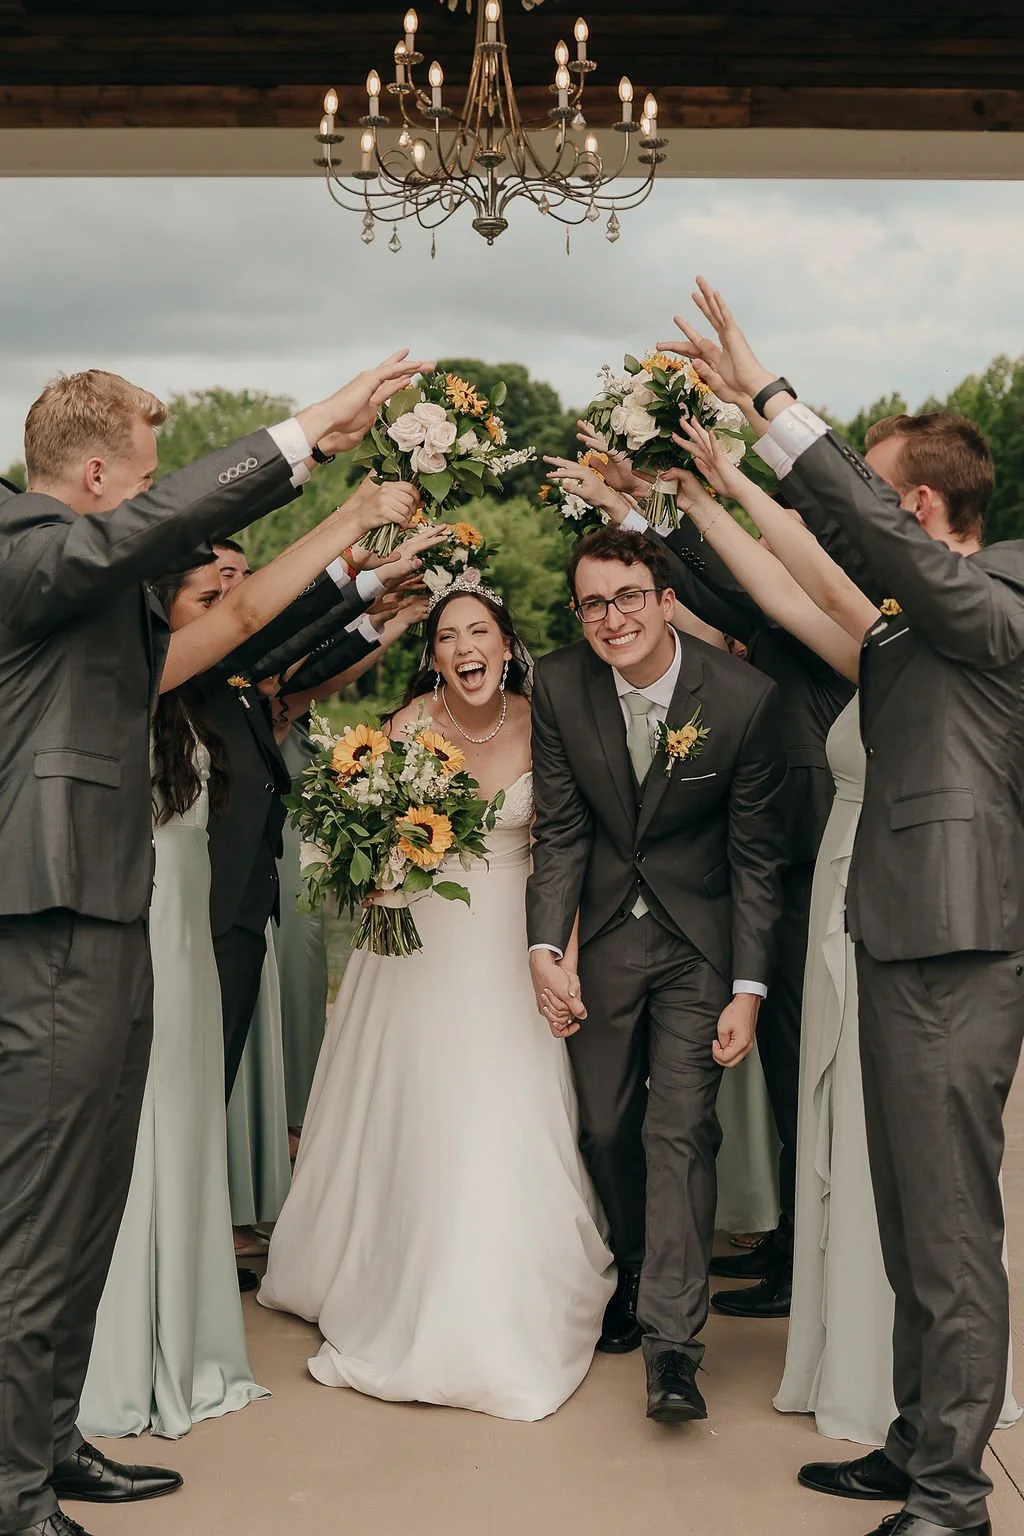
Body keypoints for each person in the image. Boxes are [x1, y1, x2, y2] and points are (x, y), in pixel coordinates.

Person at [0, 350, 427, 1536]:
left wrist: (341, 520)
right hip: (42, 930)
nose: (149, 501)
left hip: (108, 918)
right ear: (94, 478)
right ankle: (10, 1491)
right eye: (139, 483)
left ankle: (46, 1440)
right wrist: (310, 435)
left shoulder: (92, 601)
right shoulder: (23, 549)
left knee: (86, 1207)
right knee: (38, 1216)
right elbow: (171, 526)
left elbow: (235, 616)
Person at [681, 277, 1024, 1536]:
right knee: (903, 1221)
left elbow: (857, 538)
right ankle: (912, 1443)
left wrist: (767, 395)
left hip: (956, 946)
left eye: (881, 496)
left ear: (919, 508)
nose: (865, 520)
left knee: (946, 1232)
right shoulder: (906, 634)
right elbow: (806, 574)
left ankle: (951, 1500)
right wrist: (714, 479)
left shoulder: (988, 610)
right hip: (891, 943)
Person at [259, 580, 615, 1421]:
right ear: (437, 653)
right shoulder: (410, 725)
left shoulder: (546, 716)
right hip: (418, 943)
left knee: (504, 1110)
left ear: (505, 642)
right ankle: (398, 1272)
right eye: (450, 634)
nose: (465, 646)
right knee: (418, 1110)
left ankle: (499, 1295)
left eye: (479, 630)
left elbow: (571, 842)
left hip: (512, 942)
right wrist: (377, 876)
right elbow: (371, 833)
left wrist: (564, 949)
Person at [551, 427, 859, 1319]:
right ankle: (784, 1244)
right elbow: (684, 608)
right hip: (748, 871)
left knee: (796, 1065)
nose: (760, 554)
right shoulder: (743, 618)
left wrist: (661, 496)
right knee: (762, 1078)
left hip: (796, 850)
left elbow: (716, 591)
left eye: (773, 540)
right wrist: (628, 508)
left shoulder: (813, 606)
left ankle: (803, 1258)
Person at [526, 525, 787, 1422]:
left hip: (697, 944)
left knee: (678, 1129)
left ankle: (674, 1348)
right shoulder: (558, 685)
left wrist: (747, 988)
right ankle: (633, 1259)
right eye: (594, 602)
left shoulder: (746, 699)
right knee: (604, 1127)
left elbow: (757, 859)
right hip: (602, 935)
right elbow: (560, 830)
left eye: (629, 596)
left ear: (667, 600)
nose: (612, 617)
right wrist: (544, 947)